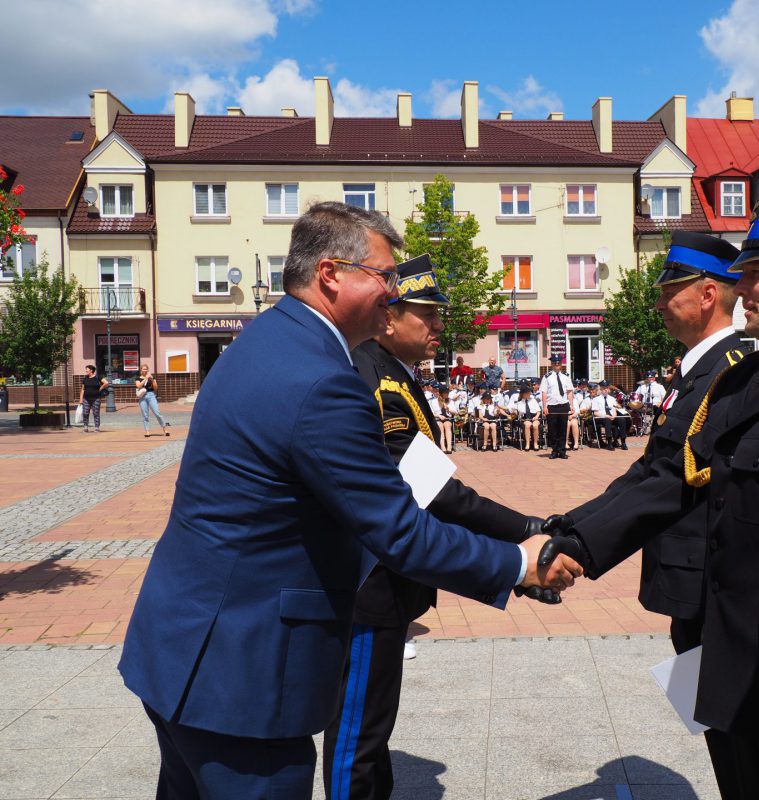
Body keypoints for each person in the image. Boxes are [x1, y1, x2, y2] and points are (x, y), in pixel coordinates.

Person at [117, 202, 580, 799]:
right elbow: (399, 529)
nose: (393, 290)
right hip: (241, 674)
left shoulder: (268, 338)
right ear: (331, 273)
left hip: (185, 646)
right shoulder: (322, 381)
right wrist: (520, 562)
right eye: (384, 276)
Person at [546, 204, 759, 800]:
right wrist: (574, 544)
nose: (740, 288)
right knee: (737, 774)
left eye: (757, 273)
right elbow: (675, 477)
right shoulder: (741, 379)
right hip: (729, 634)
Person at [341, 254, 547, 800]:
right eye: (427, 314)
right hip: (371, 583)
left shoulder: (393, 374)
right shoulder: (378, 382)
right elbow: (432, 492)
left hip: (387, 576)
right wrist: (526, 528)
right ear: (389, 317)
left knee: (373, 725)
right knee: (358, 735)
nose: (438, 326)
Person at [567, 231, 744, 652]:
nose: (659, 305)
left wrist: (579, 544)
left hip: (709, 577)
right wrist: (570, 525)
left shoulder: (730, 374)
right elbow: (648, 468)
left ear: (707, 295)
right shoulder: (697, 371)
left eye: (669, 293)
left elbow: (671, 479)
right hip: (686, 574)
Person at [541, 355, 575, 459]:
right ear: (552, 364)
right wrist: (545, 406)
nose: (557, 364)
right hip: (552, 406)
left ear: (561, 364)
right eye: (555, 363)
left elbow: (569, 391)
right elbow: (544, 393)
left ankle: (562, 451)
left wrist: (571, 405)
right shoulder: (547, 377)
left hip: (563, 405)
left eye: (558, 363)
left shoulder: (566, 376)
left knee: (563, 429)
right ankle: (555, 451)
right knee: (553, 430)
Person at [587, 382, 629, 450]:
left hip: (611, 416)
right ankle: (609, 442)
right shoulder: (596, 399)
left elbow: (614, 409)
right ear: (601, 389)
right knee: (607, 420)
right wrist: (605, 415)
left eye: (607, 388)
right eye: (604, 388)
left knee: (621, 419)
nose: (606, 390)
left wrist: (614, 415)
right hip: (601, 417)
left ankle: (623, 441)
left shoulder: (612, 398)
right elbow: (595, 412)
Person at [135, 364, 168, 438]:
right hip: (142, 397)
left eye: (146, 369)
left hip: (151, 395)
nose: (145, 370)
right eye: (143, 369)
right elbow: (138, 386)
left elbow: (156, 388)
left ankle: (164, 429)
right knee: (145, 415)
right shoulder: (138, 378)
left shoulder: (152, 377)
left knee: (157, 413)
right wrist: (145, 378)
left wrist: (152, 379)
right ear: (141, 370)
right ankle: (147, 431)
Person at [509, 383, 542, 451]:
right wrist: (514, 413)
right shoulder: (518, 402)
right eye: (528, 392)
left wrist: (536, 416)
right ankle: (527, 443)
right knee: (527, 425)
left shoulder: (533, 400)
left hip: (534, 417)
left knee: (535, 425)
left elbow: (538, 411)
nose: (529, 393)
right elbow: (515, 412)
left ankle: (535, 443)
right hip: (524, 418)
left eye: (529, 392)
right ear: (523, 394)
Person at [78, 364, 108, 433]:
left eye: (87, 369)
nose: (86, 371)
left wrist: (101, 388)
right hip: (86, 398)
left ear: (91, 370)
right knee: (85, 413)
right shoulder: (85, 379)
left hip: (96, 398)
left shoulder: (98, 377)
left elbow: (106, 383)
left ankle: (97, 427)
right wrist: (81, 399)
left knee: (96, 413)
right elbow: (83, 389)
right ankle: (85, 427)